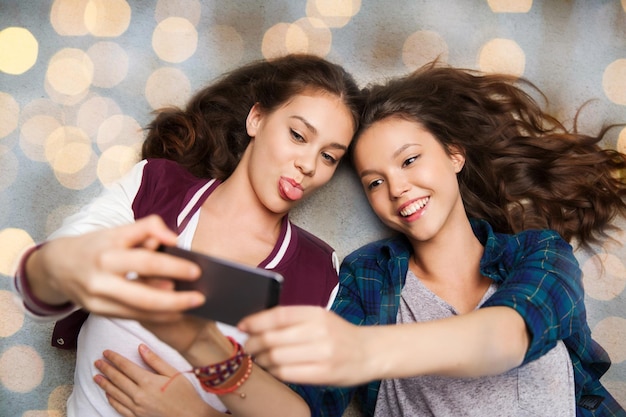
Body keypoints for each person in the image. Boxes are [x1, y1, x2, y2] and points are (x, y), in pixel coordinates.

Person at [237, 64, 626, 416]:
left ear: (454, 155)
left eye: (409, 160)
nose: (398, 188)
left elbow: (505, 337)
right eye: (375, 182)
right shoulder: (367, 279)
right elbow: (301, 410)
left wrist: (362, 350)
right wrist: (206, 348)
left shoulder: (537, 254)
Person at [13, 53, 363, 417]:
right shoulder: (153, 188)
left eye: (328, 157)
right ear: (257, 118)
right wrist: (69, 263)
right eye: (297, 135)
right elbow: (39, 284)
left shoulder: (316, 271)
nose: (308, 164)